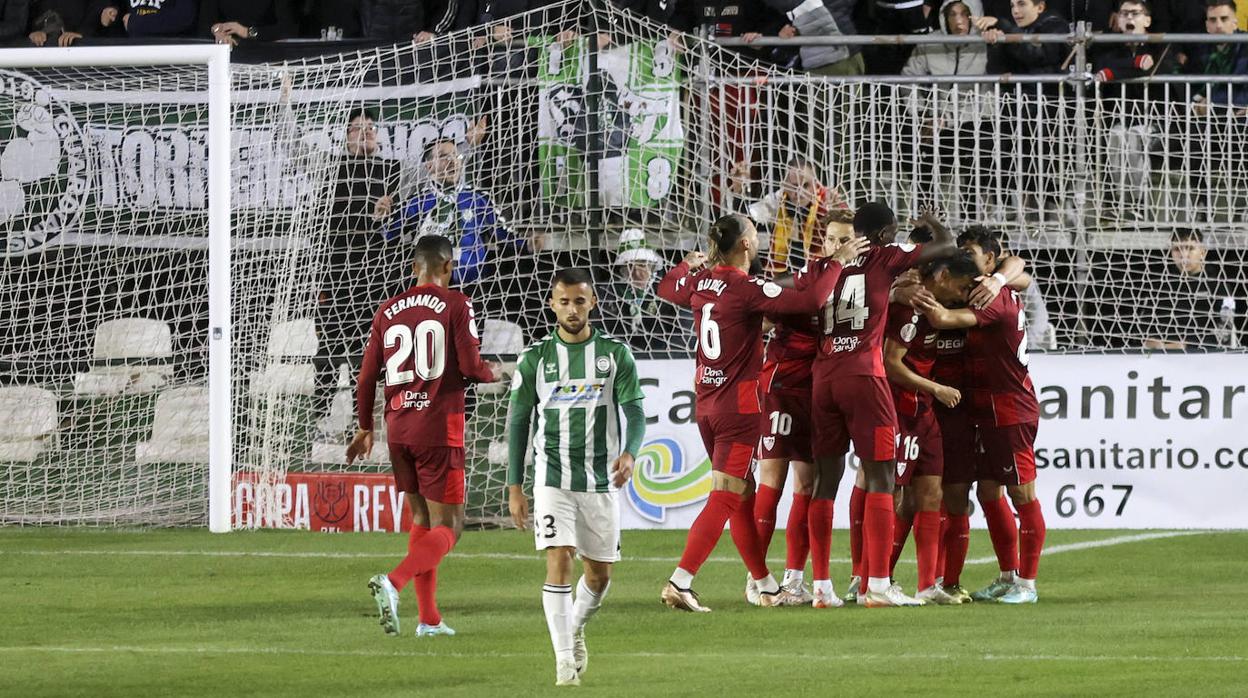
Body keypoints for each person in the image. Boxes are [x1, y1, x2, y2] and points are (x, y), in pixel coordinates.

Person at [656, 214, 867, 612]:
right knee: (726, 494)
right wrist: (837, 262)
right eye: (755, 235)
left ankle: (765, 584)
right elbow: (809, 300)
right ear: (746, 246)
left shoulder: (700, 282)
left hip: (705, 402)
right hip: (739, 406)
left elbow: (667, 287)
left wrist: (686, 264)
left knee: (742, 492)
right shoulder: (746, 287)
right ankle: (681, 580)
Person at [798, 202, 954, 608]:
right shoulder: (884, 257)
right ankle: (878, 585)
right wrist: (929, 222)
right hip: (865, 378)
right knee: (881, 476)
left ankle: (821, 587)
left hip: (823, 378)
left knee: (825, 481)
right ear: (884, 234)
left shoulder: (822, 267)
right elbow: (945, 244)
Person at [350, 235, 499, 637]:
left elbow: (366, 377)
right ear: (449, 267)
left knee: (421, 519)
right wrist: (493, 373)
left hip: (397, 429)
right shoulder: (456, 303)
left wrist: (365, 427)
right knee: (451, 526)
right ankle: (393, 583)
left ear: (414, 267)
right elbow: (470, 365)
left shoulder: (387, 309)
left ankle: (428, 620)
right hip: (437, 427)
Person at [505, 268, 647, 688]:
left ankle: (576, 627)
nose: (571, 309)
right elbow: (517, 423)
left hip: (600, 480)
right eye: (564, 301)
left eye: (579, 301)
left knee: (600, 576)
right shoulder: (534, 359)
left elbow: (635, 412)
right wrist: (515, 485)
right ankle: (564, 662)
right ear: (552, 304)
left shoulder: (614, 354)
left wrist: (630, 451)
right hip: (553, 477)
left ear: (593, 302)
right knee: (559, 558)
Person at [913, 228, 1047, 605]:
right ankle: (1007, 576)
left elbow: (941, 319)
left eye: (971, 252)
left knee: (1023, 493)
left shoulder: (992, 296)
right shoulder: (991, 285)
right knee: (990, 492)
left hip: (1009, 407)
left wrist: (913, 291)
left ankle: (1027, 584)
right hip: (981, 408)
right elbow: (1021, 271)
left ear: (990, 260)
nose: (963, 257)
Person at [753, 209, 854, 608]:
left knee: (807, 485)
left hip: (819, 392)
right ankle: (757, 578)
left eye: (844, 239)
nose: (837, 246)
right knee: (772, 480)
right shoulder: (808, 276)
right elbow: (764, 307)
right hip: (782, 385)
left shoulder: (859, 284)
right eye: (831, 239)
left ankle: (794, 579)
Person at [881, 251, 981, 605]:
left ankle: (927, 585)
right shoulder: (911, 306)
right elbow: (890, 363)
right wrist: (935, 388)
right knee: (897, 496)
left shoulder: (929, 304)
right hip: (899, 407)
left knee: (930, 493)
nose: (964, 293)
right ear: (941, 275)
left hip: (922, 410)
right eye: (962, 284)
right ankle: (878, 580)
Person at [314, 107, 404, 421]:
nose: (364, 131)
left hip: (376, 276)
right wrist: (285, 104)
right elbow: (295, 150)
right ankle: (321, 419)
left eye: (370, 127)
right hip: (335, 274)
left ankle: (362, 421)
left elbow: (434, 170)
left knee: (368, 353)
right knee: (327, 349)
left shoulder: (394, 170)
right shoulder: (330, 167)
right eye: (356, 128)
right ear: (346, 136)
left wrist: (469, 149)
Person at [732, 156, 848, 276]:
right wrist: (739, 191)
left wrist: (840, 208)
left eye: (806, 185)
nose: (800, 192)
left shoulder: (827, 202)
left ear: (815, 185)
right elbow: (746, 218)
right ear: (785, 185)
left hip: (820, 272)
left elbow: (848, 233)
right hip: (784, 273)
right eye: (794, 186)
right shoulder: (778, 199)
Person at [1139, 229, 1244, 351]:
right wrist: (1152, 341)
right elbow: (1144, 327)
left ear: (1202, 252)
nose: (1184, 255)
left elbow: (1225, 332)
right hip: (1163, 356)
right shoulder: (1161, 285)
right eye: (1177, 250)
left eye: (1190, 248)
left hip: (1203, 356)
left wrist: (1186, 345)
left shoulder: (1218, 286)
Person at [596, 229, 692, 354]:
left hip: (664, 360)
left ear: (652, 265)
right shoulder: (607, 293)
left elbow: (684, 332)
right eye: (630, 266)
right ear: (622, 269)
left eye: (641, 265)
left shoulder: (672, 289)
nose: (636, 273)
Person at [976, 0, 1069, 75]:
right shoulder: (1013, 30)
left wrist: (1002, 25)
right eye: (1012, 5)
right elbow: (995, 72)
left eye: (1022, 4)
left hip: (1050, 97)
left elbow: (1038, 56)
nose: (1015, 11)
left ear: (1040, 7)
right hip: (1016, 97)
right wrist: (996, 44)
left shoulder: (1056, 26)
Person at [1188, 0, 1248, 114]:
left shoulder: (1245, 47)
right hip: (1208, 123)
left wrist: (1211, 102)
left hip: (1240, 121)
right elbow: (1190, 89)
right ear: (1207, 26)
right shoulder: (1199, 51)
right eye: (1213, 20)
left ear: (1235, 23)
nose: (1219, 25)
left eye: (1224, 19)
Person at [199, 0, 296, 43]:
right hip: (229, 54)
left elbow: (286, 29)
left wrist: (247, 32)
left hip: (266, 56)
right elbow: (205, 24)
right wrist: (217, 32)